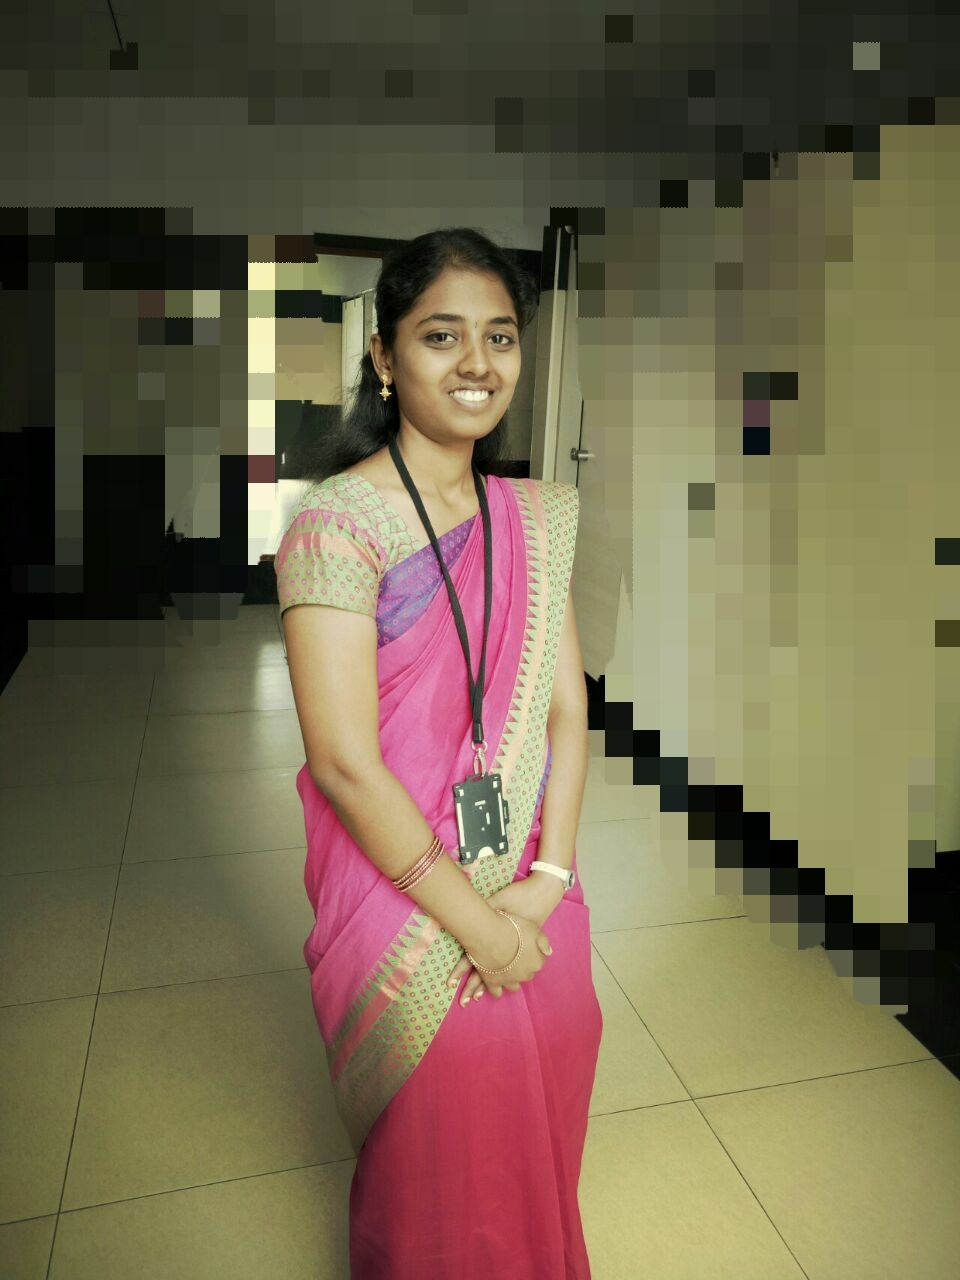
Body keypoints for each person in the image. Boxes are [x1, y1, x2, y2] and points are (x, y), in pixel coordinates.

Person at [275, 227, 603, 1278]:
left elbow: (568, 711)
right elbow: (343, 763)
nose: (477, 362)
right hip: (403, 886)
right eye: (441, 334)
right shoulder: (337, 524)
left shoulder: (531, 516)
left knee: (561, 1032)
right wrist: (479, 928)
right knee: (455, 1084)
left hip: (529, 875)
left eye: (500, 336)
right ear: (384, 355)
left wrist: (549, 880)